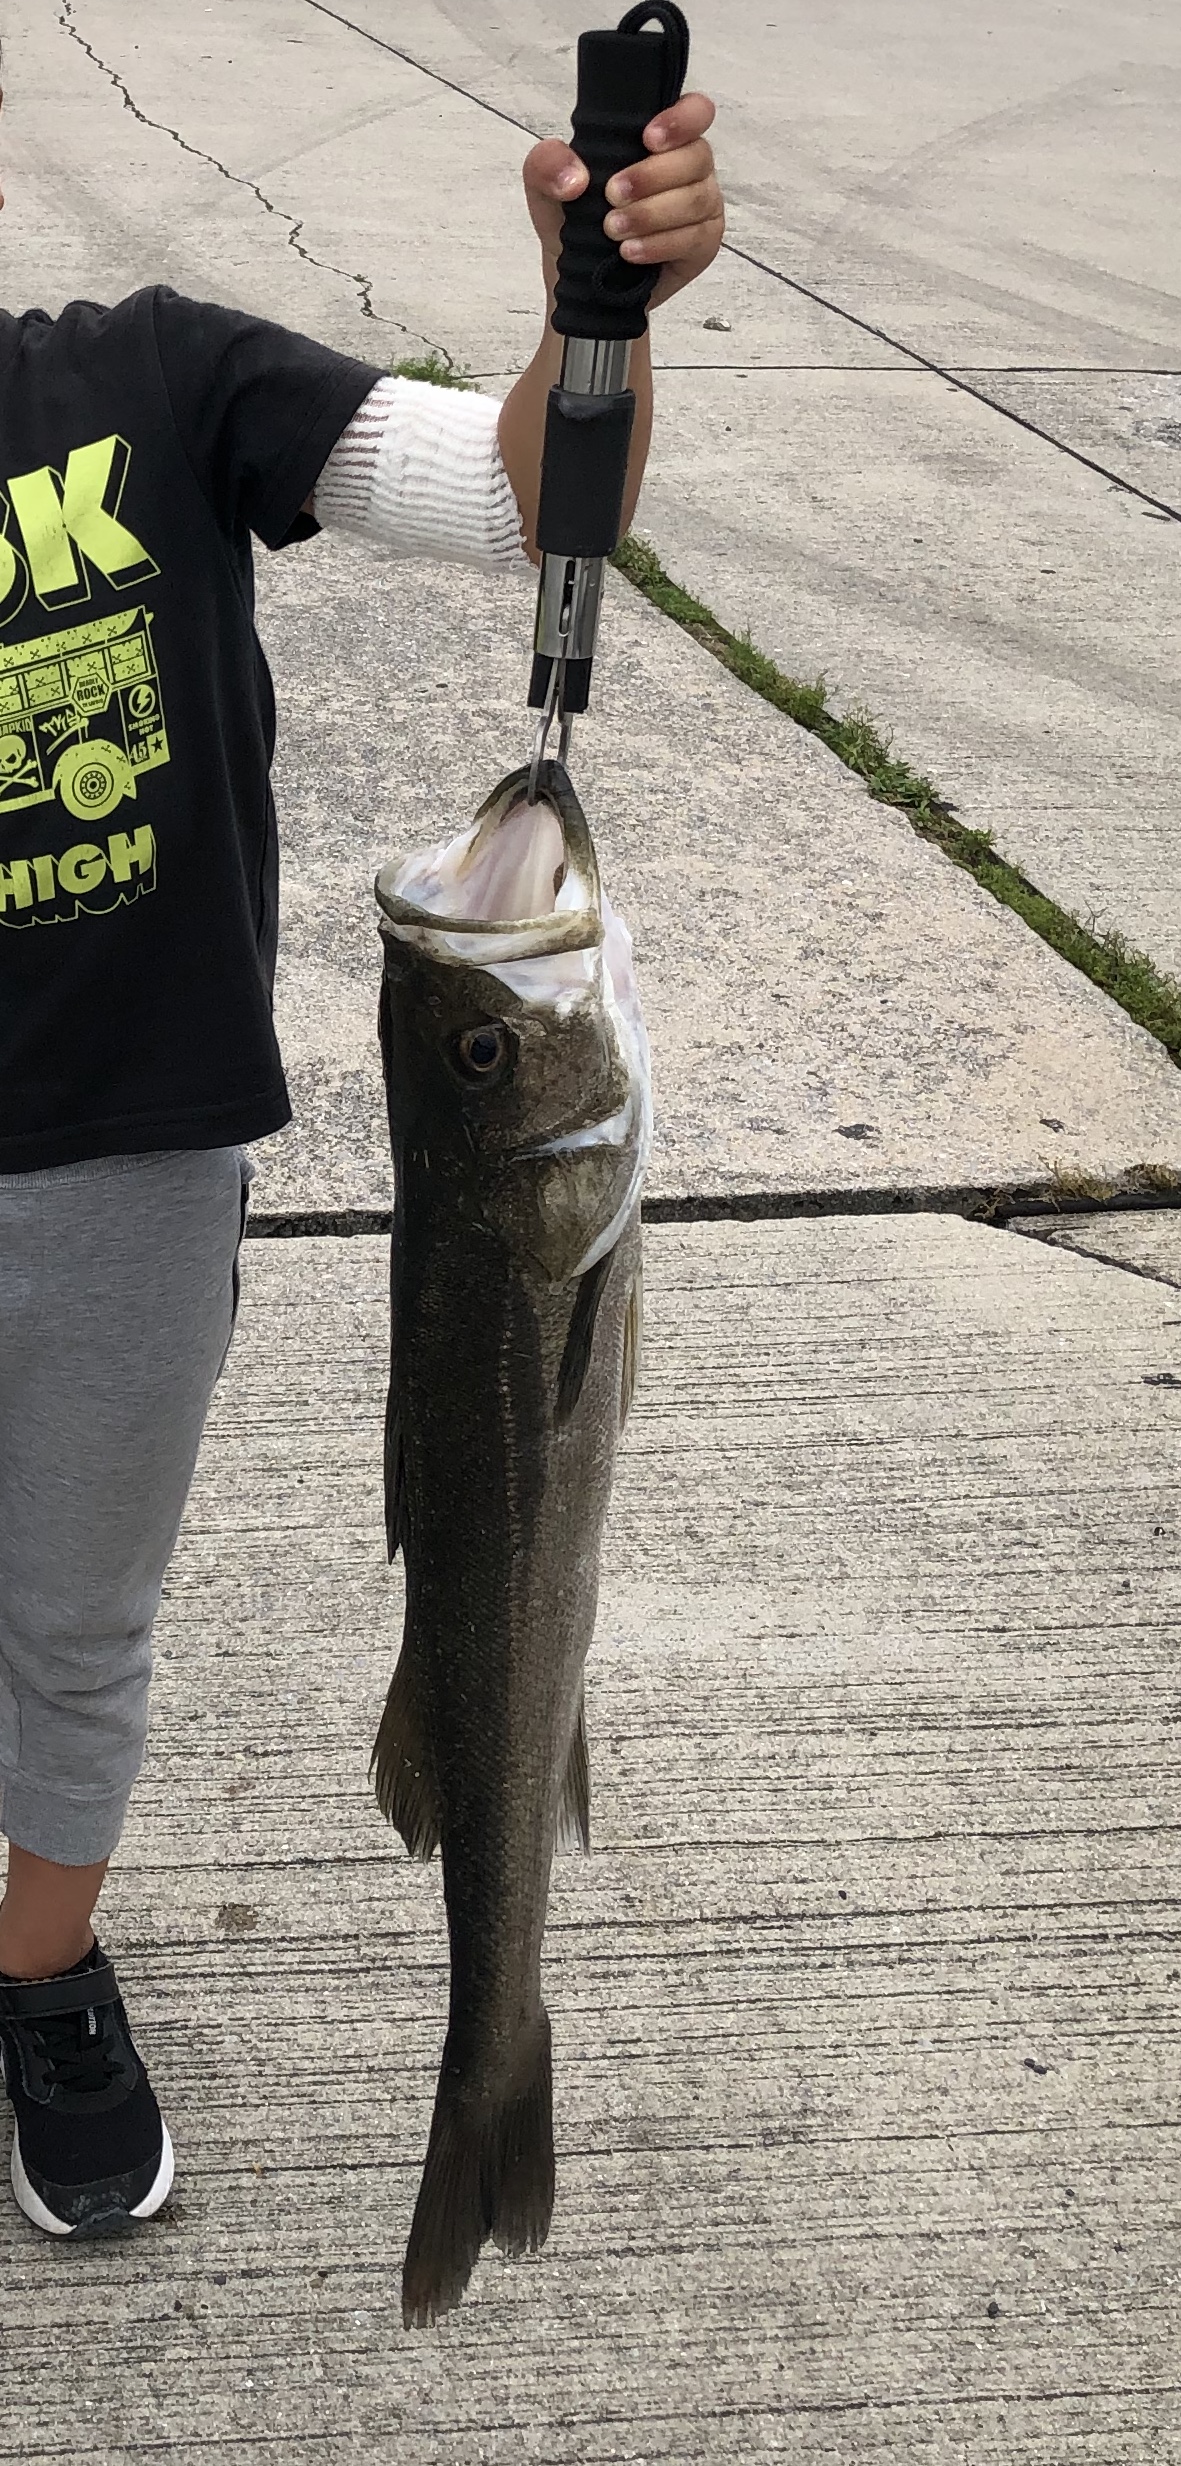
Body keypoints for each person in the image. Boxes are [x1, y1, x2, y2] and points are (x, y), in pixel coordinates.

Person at [0, 50, 725, 2236]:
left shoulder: (152, 379)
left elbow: (522, 506)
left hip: (123, 1167)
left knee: (74, 1621)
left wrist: (593, 314)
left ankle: (38, 1976)